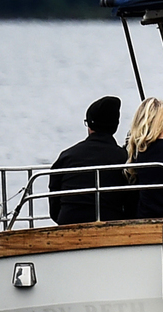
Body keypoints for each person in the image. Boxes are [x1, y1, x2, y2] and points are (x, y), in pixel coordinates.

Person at [47, 96, 126, 224]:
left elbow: (54, 204)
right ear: (115, 126)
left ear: (89, 125)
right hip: (111, 222)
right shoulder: (124, 158)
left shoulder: (67, 157)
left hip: (68, 222)